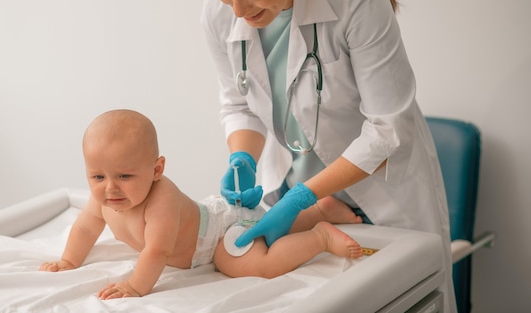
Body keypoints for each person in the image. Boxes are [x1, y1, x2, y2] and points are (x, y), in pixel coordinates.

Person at [195, 0, 456, 312]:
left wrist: (303, 199)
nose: (239, 11)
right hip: (294, 188)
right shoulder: (219, 13)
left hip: (379, 194)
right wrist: (242, 156)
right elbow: (240, 104)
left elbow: (388, 128)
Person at [39, 109, 362, 299]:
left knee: (254, 264)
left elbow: (157, 251)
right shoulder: (106, 201)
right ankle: (322, 209)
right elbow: (85, 226)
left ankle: (319, 235)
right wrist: (68, 261)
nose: (110, 188)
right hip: (216, 217)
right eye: (97, 177)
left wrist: (135, 287)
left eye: (124, 175)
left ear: (156, 170)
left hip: (218, 237)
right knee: (270, 224)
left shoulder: (161, 199)